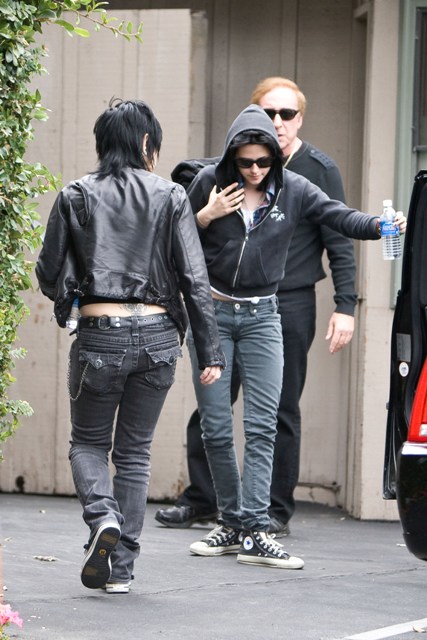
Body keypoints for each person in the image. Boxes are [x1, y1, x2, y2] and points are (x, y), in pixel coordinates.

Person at [180, 102, 405, 568]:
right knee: (216, 426)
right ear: (232, 157)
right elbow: (175, 242)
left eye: (264, 161)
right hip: (213, 317)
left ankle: (255, 529)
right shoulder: (207, 184)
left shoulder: (295, 188)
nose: (255, 170)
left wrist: (381, 225)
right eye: (246, 162)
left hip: (263, 317)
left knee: (263, 425)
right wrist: (206, 214)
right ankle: (232, 523)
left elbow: (339, 217)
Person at [35, 98, 225, 594]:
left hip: (101, 335)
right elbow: (194, 278)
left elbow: (48, 272)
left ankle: (103, 517)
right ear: (146, 143)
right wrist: (210, 351)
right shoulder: (172, 196)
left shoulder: (75, 195)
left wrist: (74, 295)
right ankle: (120, 571)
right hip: (159, 337)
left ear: (103, 144)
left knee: (88, 444)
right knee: (135, 454)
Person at [155, 77, 356, 536]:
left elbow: (340, 236)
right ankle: (205, 500)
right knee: (214, 403)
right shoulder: (232, 166)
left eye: (287, 114)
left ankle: (272, 511)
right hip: (224, 301)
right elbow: (181, 233)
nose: (278, 122)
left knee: (279, 408)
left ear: (300, 119)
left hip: (289, 301)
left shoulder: (316, 172)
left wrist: (345, 305)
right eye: (269, 113)